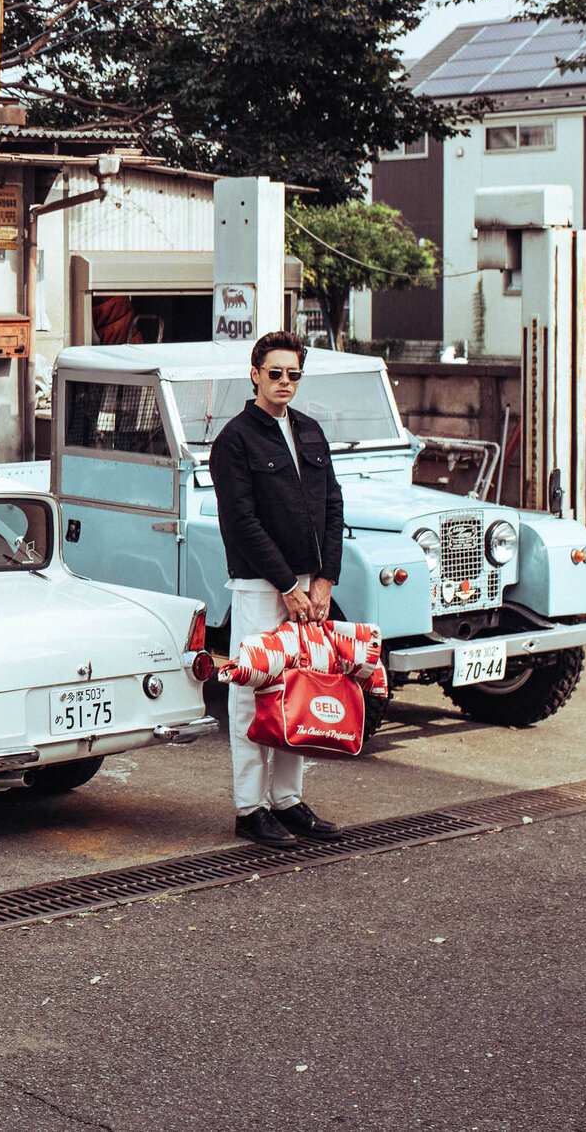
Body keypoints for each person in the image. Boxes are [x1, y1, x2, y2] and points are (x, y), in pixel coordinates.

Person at [207, 329, 349, 847]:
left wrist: (325, 579)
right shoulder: (234, 440)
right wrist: (287, 583)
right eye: (275, 373)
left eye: (293, 374)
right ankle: (251, 809)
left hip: (309, 586)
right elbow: (241, 521)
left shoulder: (309, 430)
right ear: (255, 374)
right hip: (258, 587)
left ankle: (287, 800)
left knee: (299, 686)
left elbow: (333, 504)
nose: (284, 381)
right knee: (251, 691)